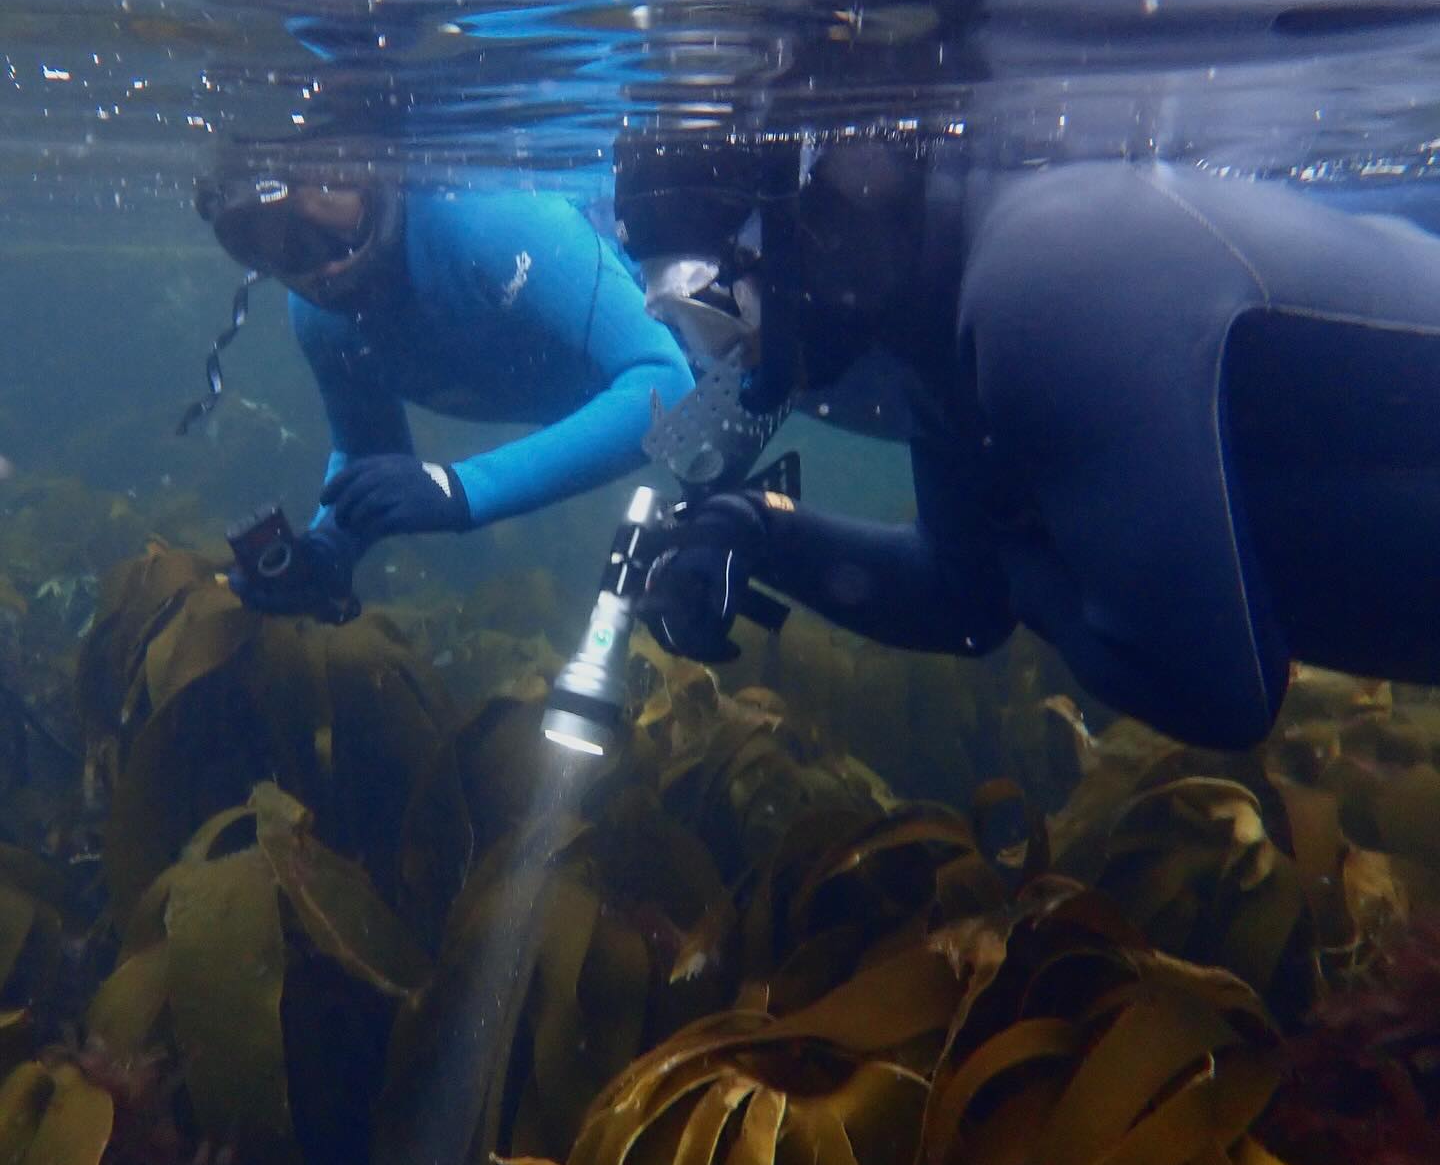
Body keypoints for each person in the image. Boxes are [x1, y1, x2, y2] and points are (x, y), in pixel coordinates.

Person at [624, 135, 1440, 751]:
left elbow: (1216, 689)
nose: (724, 354)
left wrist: (1015, 551)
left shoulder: (1040, 278)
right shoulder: (943, 307)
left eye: (714, 308)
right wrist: (756, 529)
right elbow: (963, 601)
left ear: (804, 220)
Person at [194, 160, 694, 614]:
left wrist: (463, 489)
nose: (317, 262)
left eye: (326, 206)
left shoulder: (487, 218)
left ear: (375, 175)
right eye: (271, 242)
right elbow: (369, 454)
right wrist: (329, 547)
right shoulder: (320, 320)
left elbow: (667, 387)